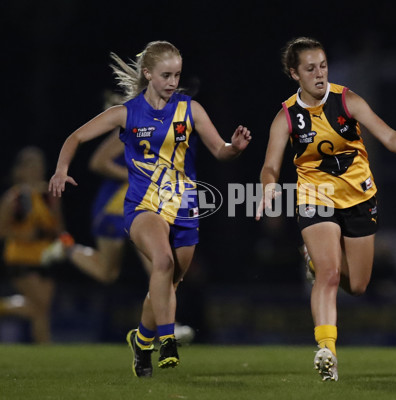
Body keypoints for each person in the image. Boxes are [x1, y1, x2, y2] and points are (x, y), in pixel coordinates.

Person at [257, 37, 396, 381]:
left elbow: (389, 136)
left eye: (323, 66)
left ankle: (311, 263)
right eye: (310, 69)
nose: (319, 75)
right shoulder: (286, 117)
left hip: (360, 198)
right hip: (315, 196)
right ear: (294, 73)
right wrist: (269, 186)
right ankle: (327, 351)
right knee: (330, 273)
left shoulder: (347, 100)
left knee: (360, 284)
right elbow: (270, 165)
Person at [48, 40, 251, 378]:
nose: (173, 82)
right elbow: (76, 138)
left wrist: (236, 148)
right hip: (144, 207)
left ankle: (141, 341)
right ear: (148, 74)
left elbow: (220, 150)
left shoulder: (191, 110)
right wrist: (60, 170)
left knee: (167, 284)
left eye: (177, 75)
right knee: (163, 261)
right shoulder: (127, 114)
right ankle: (166, 340)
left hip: (183, 205)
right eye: (166, 75)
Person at [0, 146, 65, 344]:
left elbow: (58, 227)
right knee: (40, 306)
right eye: (30, 165)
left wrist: (63, 243)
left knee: (41, 309)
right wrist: (24, 234)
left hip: (46, 257)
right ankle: (46, 347)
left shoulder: (49, 196)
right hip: (20, 258)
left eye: (39, 164)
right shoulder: (13, 198)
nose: (36, 169)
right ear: (20, 170)